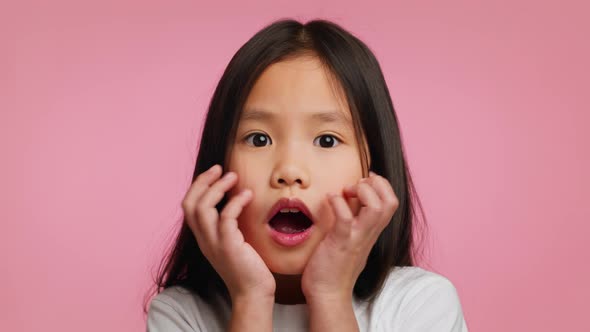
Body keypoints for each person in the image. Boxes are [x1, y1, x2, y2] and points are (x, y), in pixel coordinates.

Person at [144, 18, 468, 331]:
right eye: (259, 139)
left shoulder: (420, 305)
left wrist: (330, 295)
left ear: (375, 169)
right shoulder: (180, 314)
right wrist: (250, 298)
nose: (289, 171)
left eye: (326, 140)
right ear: (217, 166)